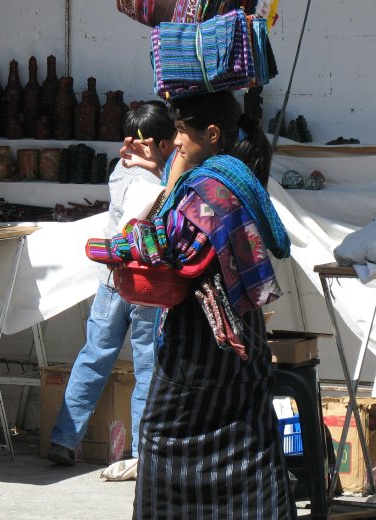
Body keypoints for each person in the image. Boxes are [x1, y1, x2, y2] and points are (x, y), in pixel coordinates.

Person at [113, 90, 296, 518]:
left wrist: (170, 177)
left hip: (204, 344)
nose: (175, 140)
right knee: (251, 443)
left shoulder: (207, 188)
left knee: (162, 436)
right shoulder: (233, 177)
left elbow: (163, 245)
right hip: (242, 339)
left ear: (211, 134)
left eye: (179, 130)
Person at [47, 102, 177, 470]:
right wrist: (159, 168)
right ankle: (142, 453)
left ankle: (63, 438)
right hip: (147, 284)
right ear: (161, 144)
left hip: (111, 280)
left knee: (94, 356)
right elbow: (165, 202)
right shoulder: (157, 179)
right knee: (148, 365)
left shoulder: (121, 167)